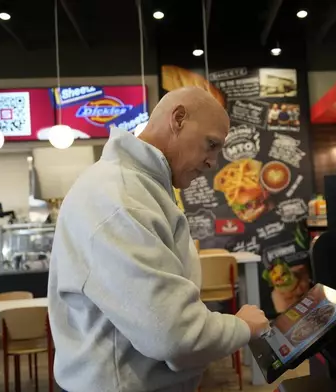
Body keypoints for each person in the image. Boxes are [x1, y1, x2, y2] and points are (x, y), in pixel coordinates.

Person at [48, 86, 270, 392]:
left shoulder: (137, 186)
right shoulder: (121, 196)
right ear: (178, 119)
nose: (213, 162)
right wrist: (242, 325)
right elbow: (172, 335)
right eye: (211, 144)